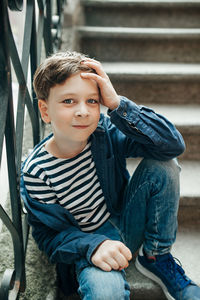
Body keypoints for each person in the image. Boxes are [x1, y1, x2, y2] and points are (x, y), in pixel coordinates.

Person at [20, 51, 200, 300]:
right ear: (45, 110)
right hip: (90, 247)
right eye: (68, 101)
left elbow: (171, 145)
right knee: (106, 292)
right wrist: (93, 246)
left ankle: (155, 256)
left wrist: (117, 104)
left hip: (126, 222)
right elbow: (51, 237)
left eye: (92, 101)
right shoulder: (36, 172)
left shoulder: (103, 133)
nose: (82, 111)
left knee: (164, 165)